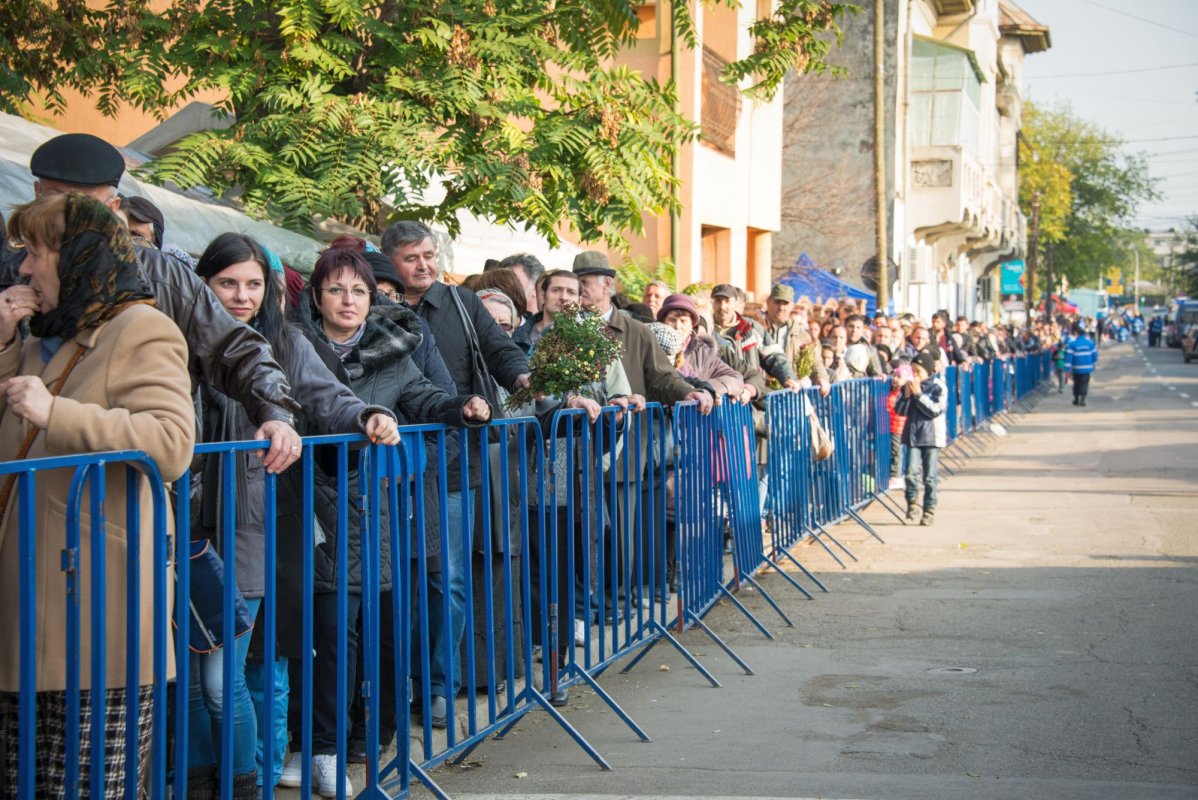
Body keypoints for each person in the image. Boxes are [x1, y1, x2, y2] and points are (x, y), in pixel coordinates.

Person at [190, 233, 401, 798]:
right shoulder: (178, 336)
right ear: (202, 283)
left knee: (251, 664)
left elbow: (328, 395)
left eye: (253, 284)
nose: (241, 296)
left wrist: (368, 416)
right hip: (184, 522)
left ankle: (250, 778)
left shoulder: (286, 343)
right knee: (199, 673)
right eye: (227, 283)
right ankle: (208, 776)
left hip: (259, 523)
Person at [0, 192, 196, 797]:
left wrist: (55, 410)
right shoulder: (41, 334)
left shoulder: (142, 328)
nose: (25, 269)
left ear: (77, 255)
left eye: (35, 253)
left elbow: (170, 442)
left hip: (97, 606)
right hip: (32, 599)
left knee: (87, 785)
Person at [0, 133, 303, 474]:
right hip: (24, 496)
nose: (64, 216)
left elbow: (233, 347)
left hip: (116, 495)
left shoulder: (162, 278)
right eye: (54, 198)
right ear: (37, 195)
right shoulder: (16, 274)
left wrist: (276, 414)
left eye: (80, 205)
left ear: (113, 209)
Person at [380, 220, 528, 726]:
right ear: (390, 262)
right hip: (388, 466)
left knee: (450, 580)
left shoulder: (463, 304)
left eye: (428, 254)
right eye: (410, 257)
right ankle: (389, 686)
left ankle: (440, 684)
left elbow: (501, 351)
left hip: (453, 463)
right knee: (390, 581)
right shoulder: (377, 307)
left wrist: (524, 375)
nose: (423, 265)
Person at [657, 293, 744, 398]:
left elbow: (735, 378)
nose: (677, 326)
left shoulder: (702, 352)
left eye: (683, 321)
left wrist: (706, 389)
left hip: (695, 413)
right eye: (672, 320)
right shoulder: (653, 349)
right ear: (663, 323)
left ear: (692, 326)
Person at [895, 351, 945, 526]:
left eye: (919, 371)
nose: (915, 375)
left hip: (931, 437)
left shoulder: (938, 386)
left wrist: (919, 395)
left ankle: (929, 509)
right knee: (910, 472)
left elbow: (934, 410)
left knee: (930, 476)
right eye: (913, 371)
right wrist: (908, 396)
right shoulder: (908, 387)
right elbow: (900, 410)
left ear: (928, 371)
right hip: (912, 436)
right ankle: (912, 504)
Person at [761, 284, 830, 394]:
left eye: (785, 303)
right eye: (777, 302)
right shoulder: (757, 328)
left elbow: (814, 361)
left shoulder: (800, 334)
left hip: (791, 393)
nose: (781, 307)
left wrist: (821, 378)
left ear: (792, 306)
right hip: (761, 393)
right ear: (768, 302)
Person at [1064, 324, 1098, 407]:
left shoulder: (1072, 345)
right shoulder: (1090, 343)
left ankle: (1076, 399)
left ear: (1076, 333)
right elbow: (1095, 356)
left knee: (1077, 383)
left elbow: (1068, 358)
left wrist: (1067, 370)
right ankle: (1082, 400)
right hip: (1087, 368)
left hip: (1076, 368)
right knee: (1084, 383)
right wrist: (1093, 364)